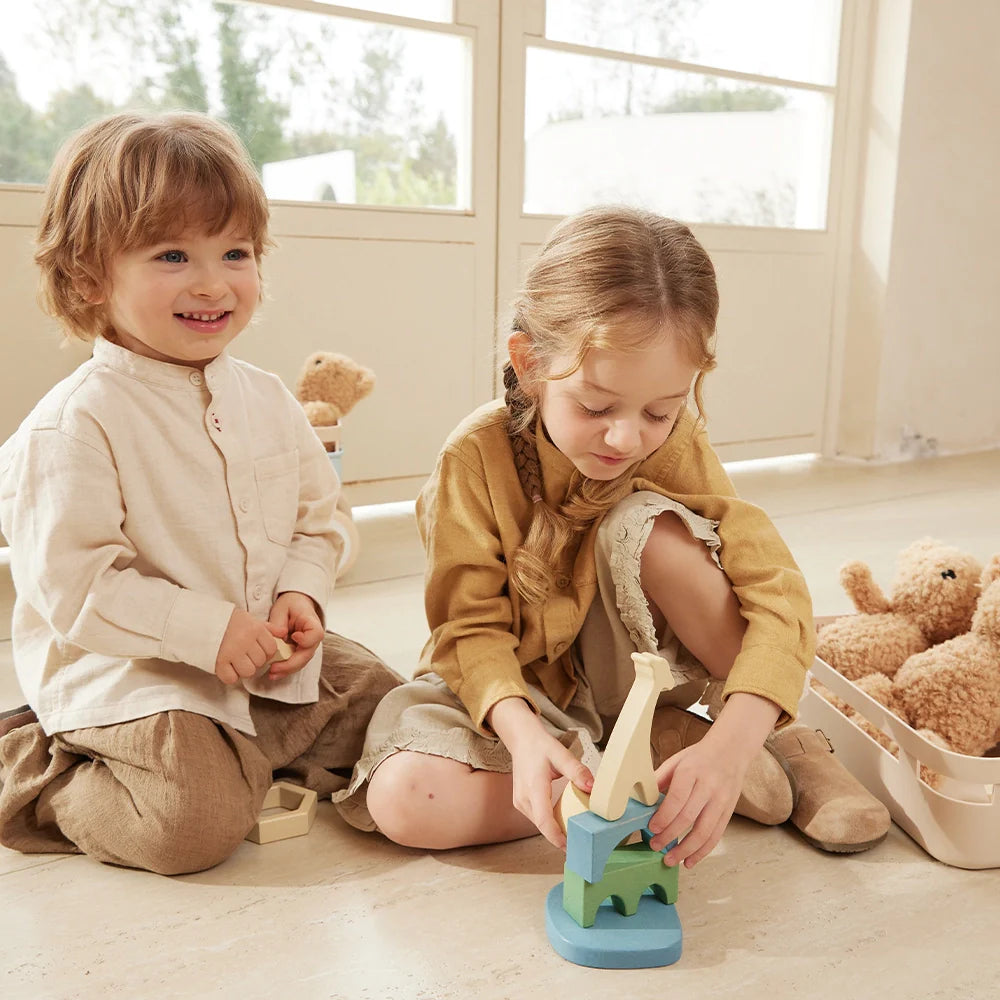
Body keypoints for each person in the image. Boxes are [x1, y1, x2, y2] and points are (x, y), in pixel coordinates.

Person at [333, 205, 890, 864]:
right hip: (528, 694)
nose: (626, 437)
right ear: (531, 364)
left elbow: (777, 595)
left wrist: (733, 743)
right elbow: (469, 632)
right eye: (596, 407)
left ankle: (765, 741)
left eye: (661, 409)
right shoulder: (473, 457)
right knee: (404, 798)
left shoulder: (675, 445)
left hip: (638, 670)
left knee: (650, 531)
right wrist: (523, 737)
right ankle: (651, 760)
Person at [0, 111, 401, 875]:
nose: (214, 283)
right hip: (136, 671)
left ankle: (246, 750)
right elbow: (75, 588)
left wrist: (300, 595)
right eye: (173, 254)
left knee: (392, 705)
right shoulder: (74, 425)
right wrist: (202, 629)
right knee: (192, 826)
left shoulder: (267, 398)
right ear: (89, 275)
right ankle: (37, 771)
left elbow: (321, 520)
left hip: (262, 654)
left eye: (236, 253)